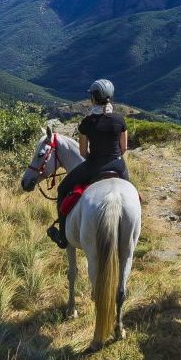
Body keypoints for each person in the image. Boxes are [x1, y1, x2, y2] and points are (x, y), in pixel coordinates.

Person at [46, 78, 128, 249]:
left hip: (93, 166)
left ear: (93, 99)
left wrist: (96, 158)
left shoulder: (86, 123)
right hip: (117, 165)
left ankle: (62, 238)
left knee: (62, 189)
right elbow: (124, 148)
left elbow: (83, 152)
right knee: (133, 193)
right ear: (109, 97)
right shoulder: (120, 120)